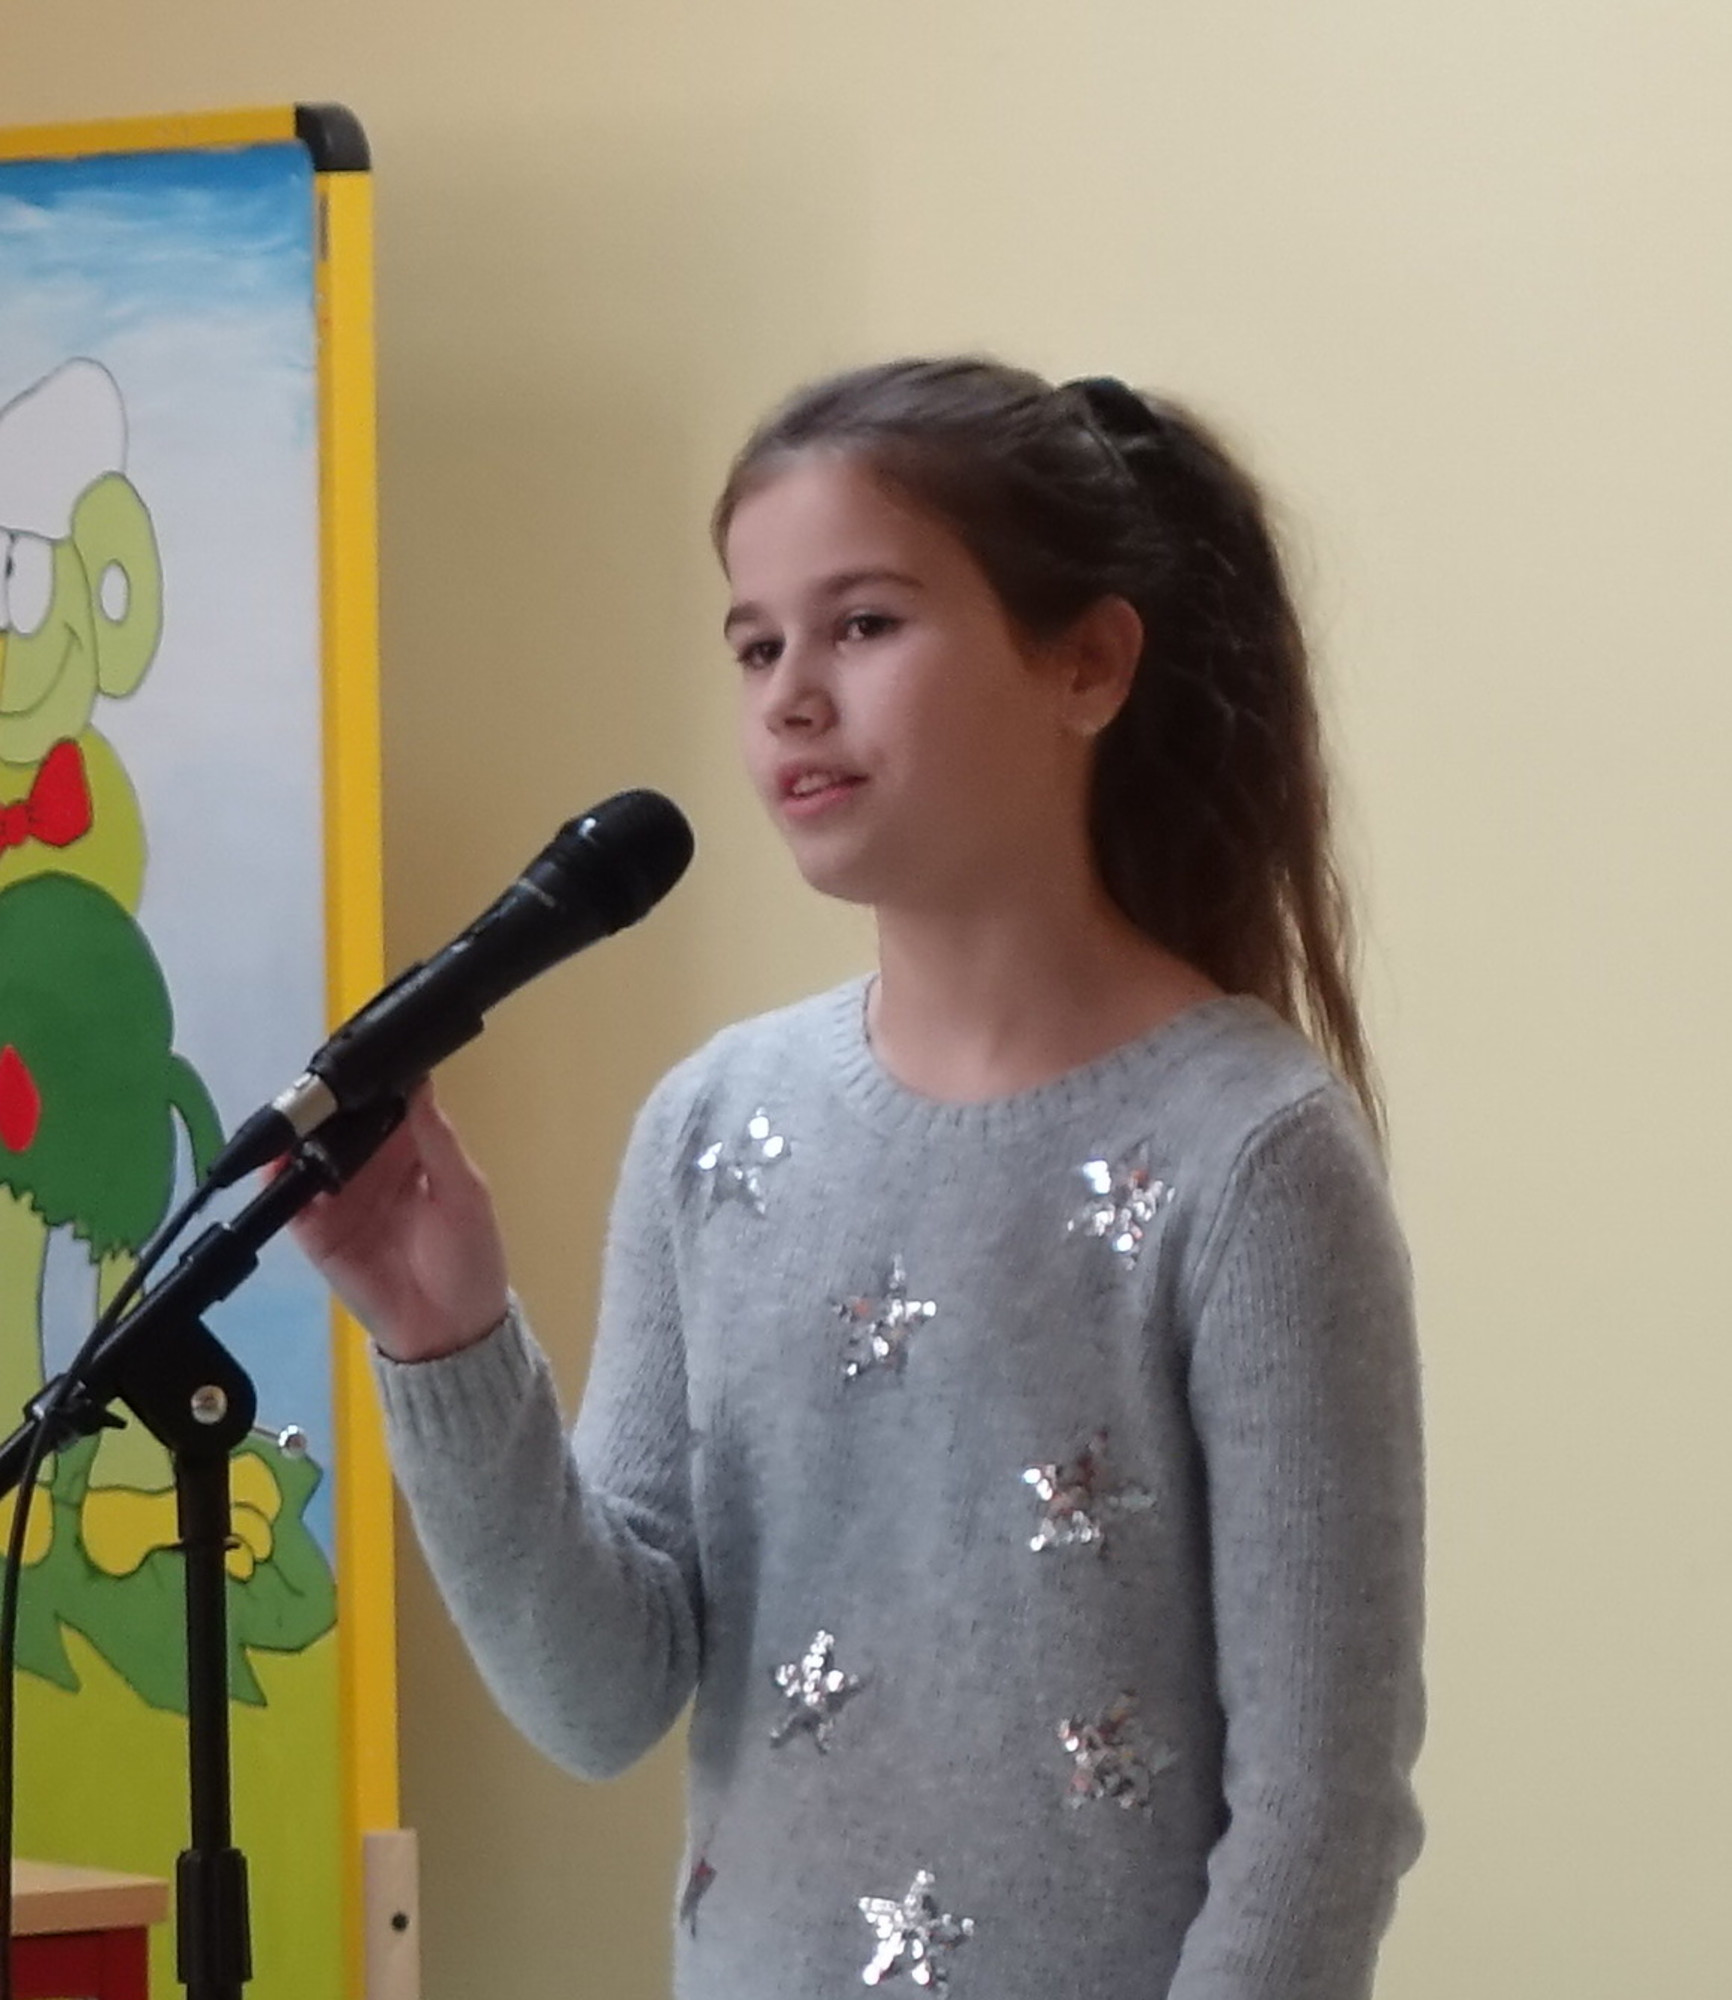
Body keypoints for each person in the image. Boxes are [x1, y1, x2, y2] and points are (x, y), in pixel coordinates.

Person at [293, 357, 1425, 1999]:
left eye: (865, 625)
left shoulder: (1252, 1154)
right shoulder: (714, 1126)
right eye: (756, 645)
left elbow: (1320, 1813)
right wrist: (444, 1341)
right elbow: (597, 1699)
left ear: (1090, 662)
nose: (791, 698)